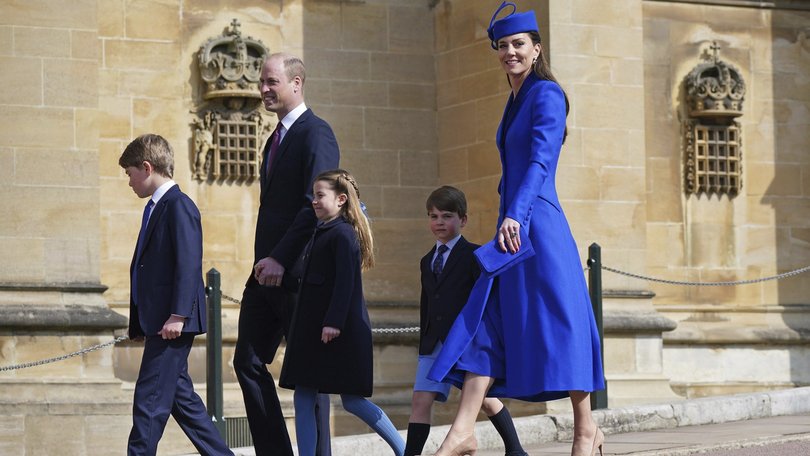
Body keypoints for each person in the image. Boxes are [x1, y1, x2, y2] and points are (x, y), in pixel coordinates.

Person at [427, 3, 606, 456]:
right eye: (503, 46)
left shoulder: (545, 93)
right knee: (488, 321)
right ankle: (463, 430)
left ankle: (586, 428)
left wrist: (515, 214)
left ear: (536, 48)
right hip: (515, 225)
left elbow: (542, 162)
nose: (510, 52)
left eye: (518, 44)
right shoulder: (514, 99)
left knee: (562, 324)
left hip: (538, 227)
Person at [233, 53, 339, 456]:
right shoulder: (273, 138)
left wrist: (281, 257)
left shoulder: (316, 133)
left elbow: (315, 205)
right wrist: (267, 261)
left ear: (296, 83)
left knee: (309, 374)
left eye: (271, 82)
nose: (263, 89)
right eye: (262, 82)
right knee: (247, 361)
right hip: (267, 274)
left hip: (300, 274)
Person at [120, 134, 233, 456]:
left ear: (146, 166)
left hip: (172, 322)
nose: (128, 182)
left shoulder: (178, 205)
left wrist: (179, 315)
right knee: (183, 403)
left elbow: (188, 262)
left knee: (149, 402)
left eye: (130, 174)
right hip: (160, 321)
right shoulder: (157, 207)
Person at [279, 169, 405, 456]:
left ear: (341, 199)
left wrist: (333, 323)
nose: (314, 200)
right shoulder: (322, 231)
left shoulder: (343, 234)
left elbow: (346, 282)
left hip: (338, 333)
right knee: (304, 394)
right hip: (314, 332)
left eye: (320, 195)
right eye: (313, 194)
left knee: (352, 400)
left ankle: (405, 450)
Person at [404, 186, 527, 456]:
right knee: (420, 400)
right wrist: (423, 339)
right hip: (433, 340)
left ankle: (516, 450)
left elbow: (484, 301)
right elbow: (428, 301)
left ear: (463, 220)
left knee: (483, 399)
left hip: (465, 341)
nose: (439, 222)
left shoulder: (475, 256)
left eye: (446, 216)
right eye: (433, 216)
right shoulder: (426, 260)